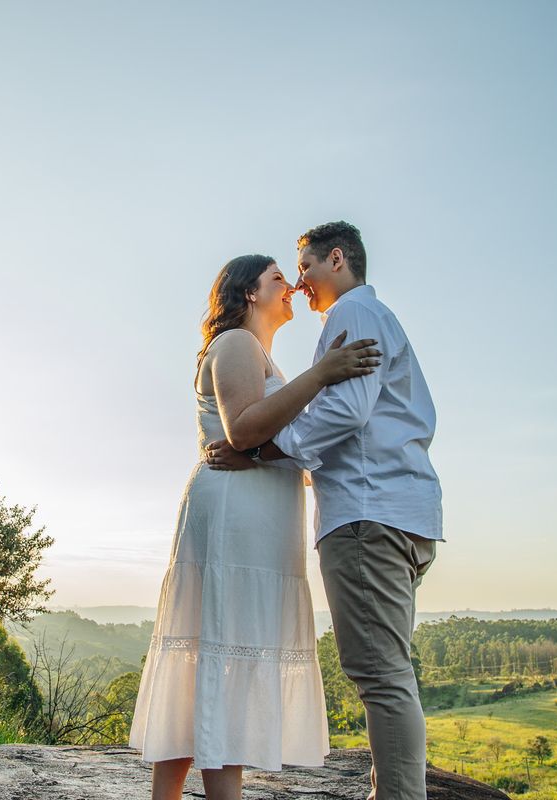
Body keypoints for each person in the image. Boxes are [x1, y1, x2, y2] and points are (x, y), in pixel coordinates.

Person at [129, 253, 381, 800]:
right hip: (233, 519)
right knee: (221, 656)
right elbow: (242, 430)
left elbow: (270, 446)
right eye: (276, 278)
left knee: (216, 659)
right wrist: (324, 373)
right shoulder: (238, 344)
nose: (290, 285)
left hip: (255, 515)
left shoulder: (258, 352)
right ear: (248, 293)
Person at [207, 222, 443, 800]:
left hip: (367, 514)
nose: (299, 284)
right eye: (285, 277)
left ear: (336, 259)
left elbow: (348, 414)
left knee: (381, 676)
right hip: (398, 508)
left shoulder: (352, 315)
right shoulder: (370, 316)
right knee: (388, 671)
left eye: (304, 269)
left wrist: (266, 449)